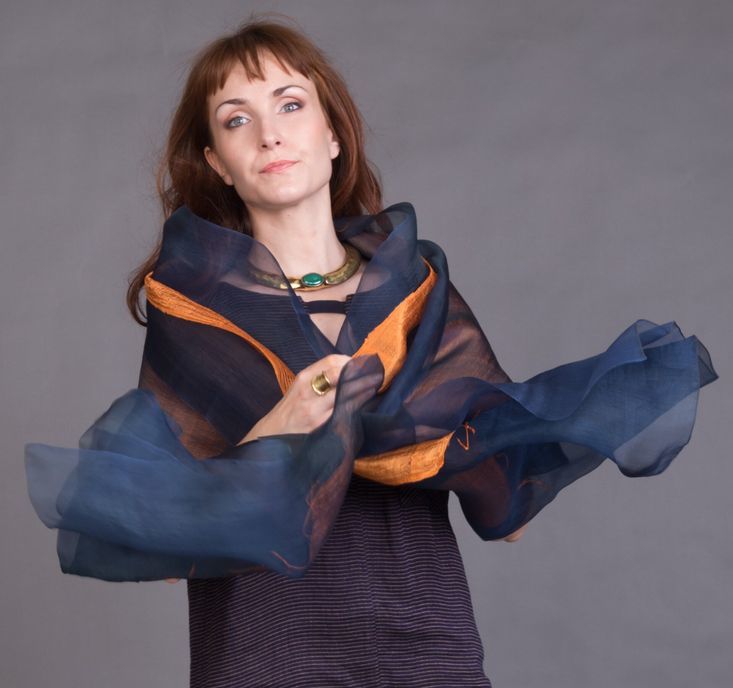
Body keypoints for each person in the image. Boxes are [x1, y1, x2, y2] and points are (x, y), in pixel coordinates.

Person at [24, 16, 718, 688]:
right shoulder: (195, 310)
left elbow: (506, 514)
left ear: (331, 133)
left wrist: (471, 442)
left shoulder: (416, 294)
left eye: (290, 105)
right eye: (236, 120)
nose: (269, 134)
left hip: (423, 643)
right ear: (218, 164)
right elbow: (167, 541)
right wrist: (280, 428)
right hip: (267, 654)